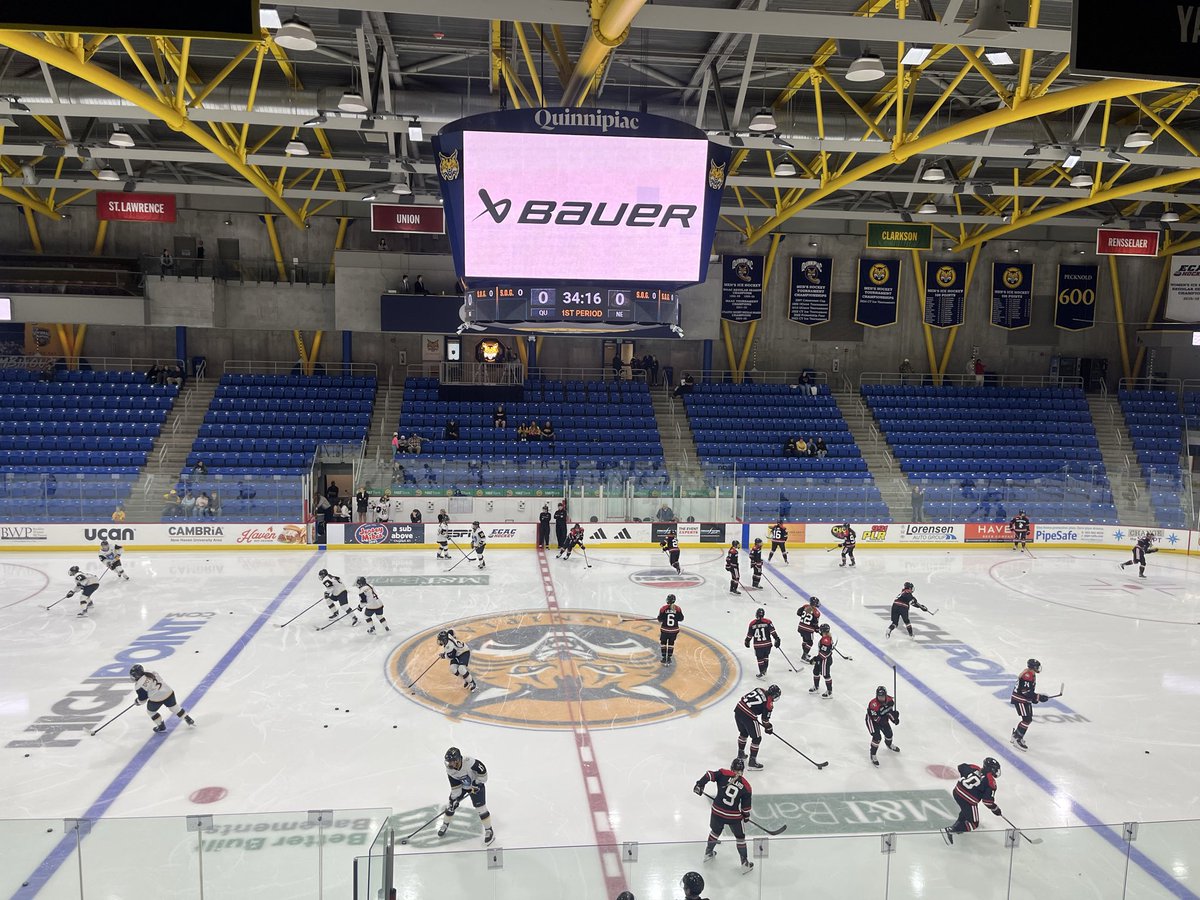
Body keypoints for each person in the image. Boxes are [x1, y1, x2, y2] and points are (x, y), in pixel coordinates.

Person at [693, 756, 754, 872]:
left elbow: (709, 775)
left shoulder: (723, 773)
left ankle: (708, 853)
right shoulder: (746, 786)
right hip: (734, 817)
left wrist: (699, 785)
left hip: (717, 811)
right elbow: (746, 809)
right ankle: (745, 864)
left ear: (731, 767)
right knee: (740, 838)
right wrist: (746, 817)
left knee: (715, 832)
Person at [438, 747, 495, 845]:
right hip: (463, 786)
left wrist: (478, 783)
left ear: (458, 760)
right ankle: (445, 824)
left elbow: (483, 771)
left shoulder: (470, 762)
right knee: (450, 806)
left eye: (451, 762)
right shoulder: (450, 770)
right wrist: (454, 799)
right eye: (448, 762)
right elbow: (455, 786)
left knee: (481, 809)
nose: (449, 764)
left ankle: (489, 830)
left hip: (475, 785)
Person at [944, 758, 1002, 844]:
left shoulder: (974, 767)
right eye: (995, 769)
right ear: (992, 769)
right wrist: (996, 809)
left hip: (957, 792)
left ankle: (958, 826)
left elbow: (961, 767)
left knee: (965, 812)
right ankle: (952, 830)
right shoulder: (990, 781)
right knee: (974, 823)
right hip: (968, 800)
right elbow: (987, 801)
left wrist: (967, 778)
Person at [129, 664, 194, 733]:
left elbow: (143, 699)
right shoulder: (151, 672)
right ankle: (187, 718)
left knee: (151, 712)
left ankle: (161, 726)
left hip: (156, 699)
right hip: (168, 692)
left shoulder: (138, 685)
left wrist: (137, 701)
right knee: (174, 707)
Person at [733, 683, 779, 768]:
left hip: (738, 710)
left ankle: (740, 754)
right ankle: (752, 761)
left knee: (743, 733)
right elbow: (765, 720)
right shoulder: (769, 703)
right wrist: (768, 727)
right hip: (748, 716)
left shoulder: (759, 689)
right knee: (757, 738)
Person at [1010, 658, 1049, 751]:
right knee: (1027, 719)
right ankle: (1017, 738)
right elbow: (1025, 691)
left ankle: (1016, 735)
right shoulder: (1028, 675)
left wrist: (1035, 698)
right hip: (1020, 700)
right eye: (1037, 667)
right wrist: (1038, 697)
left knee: (1028, 719)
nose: (1038, 668)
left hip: (1024, 700)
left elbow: (1029, 691)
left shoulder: (1030, 673)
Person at [866, 685, 901, 766]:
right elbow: (876, 718)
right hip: (872, 721)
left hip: (882, 718)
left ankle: (889, 744)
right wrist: (887, 720)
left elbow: (889, 712)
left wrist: (894, 719)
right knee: (877, 737)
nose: (881, 698)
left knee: (889, 734)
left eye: (882, 696)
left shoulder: (890, 701)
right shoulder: (873, 705)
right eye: (879, 696)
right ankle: (873, 754)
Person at [745, 608, 781, 679]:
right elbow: (773, 632)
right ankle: (765, 671)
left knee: (760, 659)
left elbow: (749, 635)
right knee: (766, 657)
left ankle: (762, 672)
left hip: (758, 645)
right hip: (767, 644)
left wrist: (747, 641)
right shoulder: (768, 622)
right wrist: (777, 638)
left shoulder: (752, 623)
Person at [657, 594, 684, 665]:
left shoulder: (663, 608)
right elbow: (681, 619)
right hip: (674, 630)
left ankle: (664, 658)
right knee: (671, 643)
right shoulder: (677, 608)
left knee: (663, 643)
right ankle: (669, 658)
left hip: (665, 629)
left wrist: (660, 618)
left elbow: (660, 619)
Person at [809, 623, 834, 698]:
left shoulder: (826, 640)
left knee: (826, 675)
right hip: (822, 658)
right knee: (816, 671)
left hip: (825, 660)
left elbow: (824, 654)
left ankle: (829, 692)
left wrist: (816, 659)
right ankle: (816, 687)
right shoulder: (825, 638)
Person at [795, 596, 822, 662]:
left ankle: (805, 653)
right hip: (808, 630)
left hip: (801, 627)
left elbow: (798, 613)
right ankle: (804, 656)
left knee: (805, 640)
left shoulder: (805, 606)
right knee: (810, 642)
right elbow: (815, 624)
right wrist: (817, 629)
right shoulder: (816, 612)